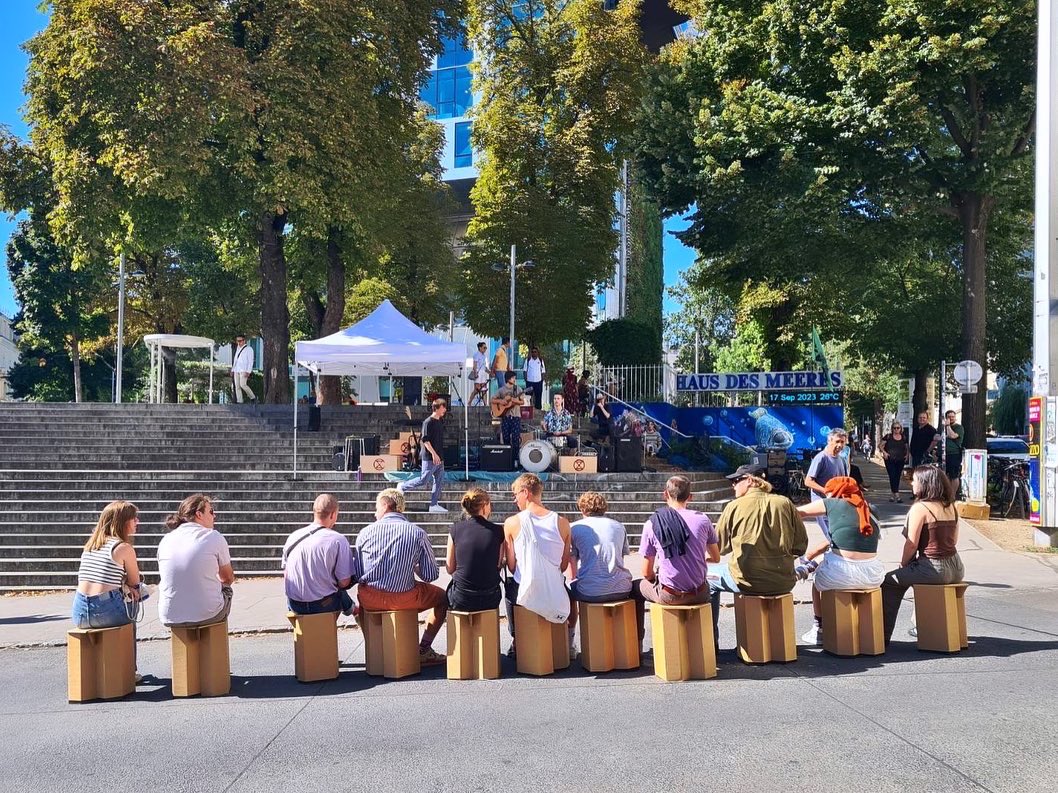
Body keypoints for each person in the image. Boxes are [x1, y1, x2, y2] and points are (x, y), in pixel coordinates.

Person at [709, 465, 808, 647]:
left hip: (746, 581)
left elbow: (720, 548)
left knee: (706, 579)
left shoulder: (733, 507)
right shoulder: (785, 503)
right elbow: (800, 546)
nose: (733, 486)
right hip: (783, 580)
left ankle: (710, 644)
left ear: (750, 480)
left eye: (736, 481)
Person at [355, 488, 447, 665]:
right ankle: (424, 648)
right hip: (405, 598)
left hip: (371, 599)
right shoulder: (417, 533)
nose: (375, 514)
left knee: (361, 599)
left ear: (385, 505)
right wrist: (414, 567)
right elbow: (431, 575)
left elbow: (359, 574)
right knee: (443, 598)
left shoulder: (364, 533)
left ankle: (375, 649)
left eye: (376, 508)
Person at [795, 476, 884, 644]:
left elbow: (797, 513)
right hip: (873, 576)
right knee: (830, 557)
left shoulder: (832, 503)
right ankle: (867, 632)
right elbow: (845, 540)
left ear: (833, 492)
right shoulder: (870, 509)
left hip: (841, 575)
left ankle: (819, 627)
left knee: (817, 581)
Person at [881, 466, 964, 644]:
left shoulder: (921, 508)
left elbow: (911, 544)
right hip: (956, 566)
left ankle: (882, 636)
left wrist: (903, 565)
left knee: (890, 581)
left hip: (934, 568)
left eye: (915, 480)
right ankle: (922, 624)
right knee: (911, 577)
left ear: (926, 484)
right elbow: (954, 541)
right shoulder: (951, 506)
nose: (912, 483)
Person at [71, 501, 148, 678]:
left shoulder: (90, 545)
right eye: (134, 519)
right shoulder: (123, 547)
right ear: (122, 522)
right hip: (106, 612)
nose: (137, 522)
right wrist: (130, 586)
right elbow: (135, 582)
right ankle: (130, 670)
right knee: (133, 605)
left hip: (80, 611)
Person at [639, 476, 720, 641]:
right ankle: (713, 641)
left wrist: (655, 578)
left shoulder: (652, 524)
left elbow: (646, 572)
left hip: (670, 595)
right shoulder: (703, 520)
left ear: (665, 494)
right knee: (712, 588)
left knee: (635, 588)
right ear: (690, 497)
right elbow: (716, 557)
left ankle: (637, 645)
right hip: (699, 593)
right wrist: (701, 560)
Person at [502, 473, 572, 656]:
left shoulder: (511, 523)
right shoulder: (563, 523)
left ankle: (517, 639)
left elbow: (511, 566)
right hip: (554, 587)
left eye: (515, 493)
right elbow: (564, 566)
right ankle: (567, 640)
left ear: (525, 492)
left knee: (509, 588)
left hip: (524, 587)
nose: (514, 499)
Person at [568, 491, 643, 650]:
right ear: (604, 508)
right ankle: (636, 642)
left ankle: (570, 642)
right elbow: (620, 558)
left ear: (582, 509)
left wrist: (574, 580)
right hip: (621, 588)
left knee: (566, 591)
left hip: (589, 591)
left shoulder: (574, 528)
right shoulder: (618, 526)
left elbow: (572, 565)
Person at [157, 494, 235, 628]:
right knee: (226, 590)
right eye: (211, 511)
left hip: (170, 615)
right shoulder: (213, 537)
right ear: (199, 514)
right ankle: (215, 646)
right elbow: (228, 577)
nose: (214, 516)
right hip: (209, 613)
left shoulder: (166, 540)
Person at [283, 494, 356, 616]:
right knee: (338, 589)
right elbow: (344, 582)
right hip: (323, 605)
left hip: (295, 604)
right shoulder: (338, 540)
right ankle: (353, 610)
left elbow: (286, 573)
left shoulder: (293, 536)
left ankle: (351, 609)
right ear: (333, 514)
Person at [445, 488, 505, 612]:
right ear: (484, 506)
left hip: (461, 597)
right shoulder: (498, 531)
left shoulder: (455, 529)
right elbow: (498, 565)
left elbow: (450, 568)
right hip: (490, 597)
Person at [397, 398, 449, 514]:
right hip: (430, 457)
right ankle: (403, 486)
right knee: (424, 479)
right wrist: (434, 454)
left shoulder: (440, 421)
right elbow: (425, 440)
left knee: (439, 480)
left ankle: (434, 504)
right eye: (443, 407)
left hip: (439, 457)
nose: (445, 409)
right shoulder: (428, 422)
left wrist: (439, 456)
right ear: (437, 408)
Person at [804, 428, 850, 536]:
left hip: (836, 503)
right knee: (832, 536)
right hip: (822, 503)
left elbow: (844, 481)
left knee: (837, 537)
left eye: (842, 442)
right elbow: (808, 481)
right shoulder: (821, 458)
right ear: (830, 441)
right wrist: (825, 491)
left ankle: (822, 552)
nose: (840, 445)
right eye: (837, 441)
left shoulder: (841, 460)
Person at [492, 371, 524, 463]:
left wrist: (514, 400)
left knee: (515, 438)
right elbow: (492, 400)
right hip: (505, 416)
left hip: (516, 417)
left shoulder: (518, 389)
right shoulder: (502, 390)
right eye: (513, 378)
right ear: (508, 379)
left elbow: (522, 402)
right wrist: (501, 402)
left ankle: (515, 460)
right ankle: (507, 459)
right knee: (505, 437)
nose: (515, 379)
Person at [880, 420, 910, 502]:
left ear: (901, 429)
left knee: (897, 476)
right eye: (894, 428)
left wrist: (907, 455)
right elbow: (881, 445)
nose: (896, 430)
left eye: (898, 428)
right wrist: (884, 452)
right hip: (890, 460)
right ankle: (897, 495)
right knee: (892, 475)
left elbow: (907, 448)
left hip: (900, 459)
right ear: (892, 429)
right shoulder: (888, 436)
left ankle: (892, 495)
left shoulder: (903, 437)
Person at [942, 410, 965, 497]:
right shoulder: (942, 427)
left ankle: (952, 495)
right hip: (944, 454)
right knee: (945, 475)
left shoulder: (959, 427)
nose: (951, 418)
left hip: (954, 454)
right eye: (949, 417)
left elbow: (952, 436)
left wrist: (948, 426)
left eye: (952, 417)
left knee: (954, 475)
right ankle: (946, 493)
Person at [231, 334, 256, 404]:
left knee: (243, 385)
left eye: (240, 341)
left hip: (244, 370)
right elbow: (235, 360)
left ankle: (253, 397)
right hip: (237, 370)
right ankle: (239, 401)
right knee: (237, 386)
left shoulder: (249, 349)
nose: (239, 342)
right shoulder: (237, 349)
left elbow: (250, 361)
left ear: (244, 341)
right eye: (237, 341)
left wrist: (248, 371)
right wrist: (232, 370)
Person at [470, 341, 491, 407]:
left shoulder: (484, 356)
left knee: (484, 389)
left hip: (483, 373)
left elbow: (484, 367)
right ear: (480, 348)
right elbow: (475, 365)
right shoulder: (476, 355)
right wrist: (475, 373)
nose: (485, 349)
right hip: (478, 373)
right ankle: (469, 402)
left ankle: (485, 403)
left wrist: (490, 372)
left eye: (486, 348)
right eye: (484, 347)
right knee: (476, 390)